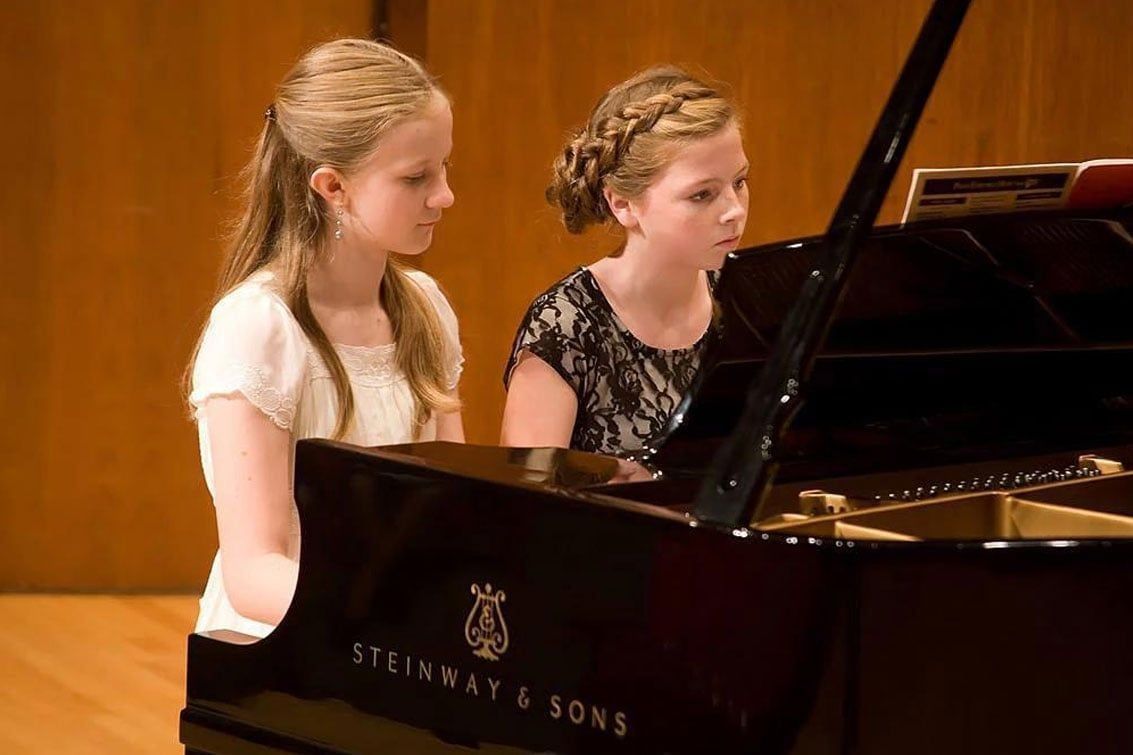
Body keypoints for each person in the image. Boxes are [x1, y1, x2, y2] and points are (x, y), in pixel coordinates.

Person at [185, 39, 461, 638]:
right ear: (332, 187)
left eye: (444, 169)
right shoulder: (258, 327)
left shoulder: (427, 310)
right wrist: (395, 622)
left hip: (400, 643)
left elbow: (453, 509)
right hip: (281, 650)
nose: (444, 196)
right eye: (417, 177)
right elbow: (255, 571)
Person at [501, 66, 748, 459]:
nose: (734, 210)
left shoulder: (750, 300)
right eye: (702, 195)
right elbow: (526, 504)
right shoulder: (565, 326)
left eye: (739, 182)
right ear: (623, 204)